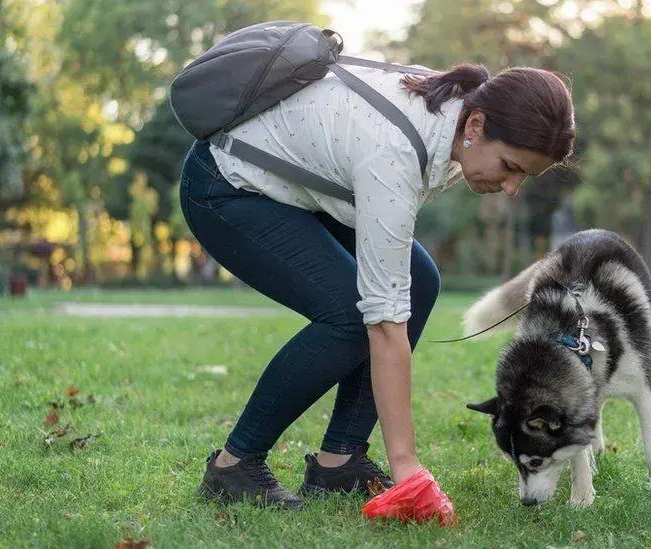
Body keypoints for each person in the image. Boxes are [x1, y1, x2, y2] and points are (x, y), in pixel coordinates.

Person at [181, 61, 575, 508]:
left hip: (298, 190)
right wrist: (406, 465)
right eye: (509, 167)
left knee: (418, 282)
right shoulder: (396, 152)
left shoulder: (454, 122)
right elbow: (385, 324)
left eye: (524, 176)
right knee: (350, 315)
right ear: (477, 125)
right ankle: (233, 468)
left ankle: (339, 462)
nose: (511, 187)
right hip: (226, 186)